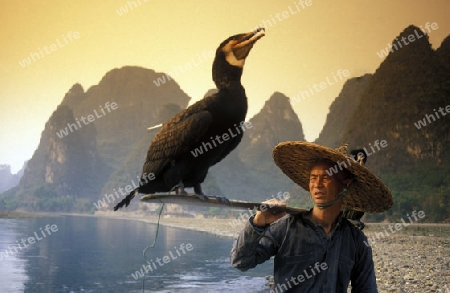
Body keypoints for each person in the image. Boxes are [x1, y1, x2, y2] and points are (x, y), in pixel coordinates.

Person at [230, 141, 393, 292]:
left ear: (346, 185)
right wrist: (258, 222)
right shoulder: (287, 227)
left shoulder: (357, 241)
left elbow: (367, 289)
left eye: (326, 177)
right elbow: (240, 261)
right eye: (313, 178)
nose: (317, 184)